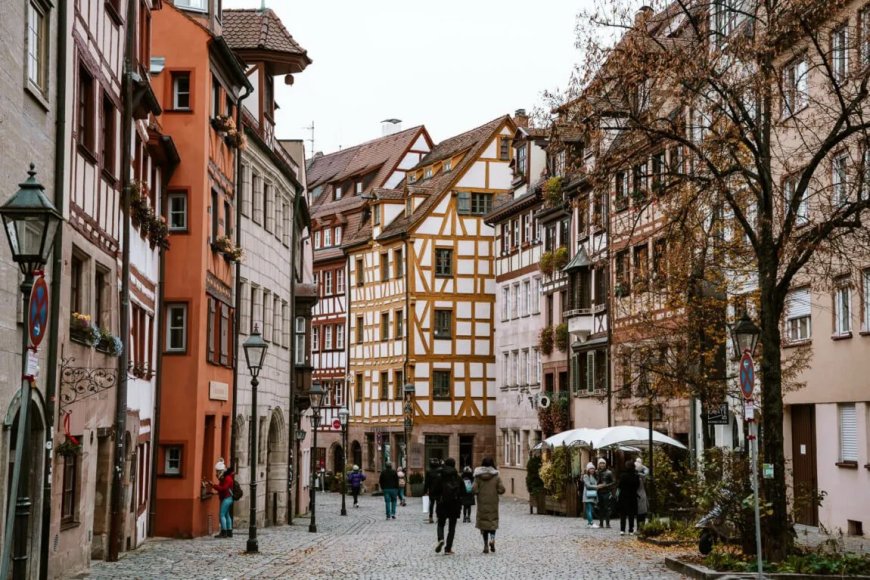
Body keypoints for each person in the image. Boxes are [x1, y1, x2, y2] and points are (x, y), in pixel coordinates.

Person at [472, 456, 505, 554]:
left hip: (482, 502)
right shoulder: (496, 476)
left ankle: (485, 545)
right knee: (492, 522)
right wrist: (496, 491)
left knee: (484, 523)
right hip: (493, 502)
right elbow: (502, 489)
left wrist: (478, 492)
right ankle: (492, 539)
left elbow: (474, 489)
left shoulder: (478, 476)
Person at [434, 458, 463, 555]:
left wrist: (437, 498)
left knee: (441, 523)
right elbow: (463, 491)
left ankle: (441, 539)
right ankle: (448, 548)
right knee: (452, 526)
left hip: (442, 503)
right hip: (454, 503)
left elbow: (435, 490)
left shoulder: (440, 476)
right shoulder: (458, 477)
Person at [206, 460, 235, 538]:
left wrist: (213, 485)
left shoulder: (227, 478)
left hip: (227, 498)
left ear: (221, 471)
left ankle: (224, 532)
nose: (216, 473)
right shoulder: (226, 477)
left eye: (217, 471)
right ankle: (229, 532)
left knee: (222, 514)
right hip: (228, 497)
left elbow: (223, 488)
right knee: (227, 515)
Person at [617, 459, 640, 535]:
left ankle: (622, 530)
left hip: (623, 496)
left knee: (623, 514)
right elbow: (637, 486)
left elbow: (619, 486)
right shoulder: (636, 476)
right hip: (632, 496)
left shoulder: (623, 475)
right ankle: (631, 530)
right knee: (631, 514)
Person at [595, 458, 615, 528]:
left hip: (606, 492)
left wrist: (605, 485)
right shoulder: (596, 472)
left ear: (605, 464)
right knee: (600, 508)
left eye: (603, 463)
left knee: (607, 508)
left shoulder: (609, 472)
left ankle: (607, 523)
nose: (602, 464)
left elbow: (613, 482)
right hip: (599, 492)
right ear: (598, 464)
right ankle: (601, 523)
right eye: (601, 463)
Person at [423, 458, 442, 524]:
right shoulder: (440, 471)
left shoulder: (429, 471)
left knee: (432, 504)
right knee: (438, 504)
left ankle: (430, 517)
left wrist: (425, 491)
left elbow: (426, 482)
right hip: (439, 490)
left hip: (432, 490)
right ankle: (438, 517)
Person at [582, 462, 600, 528]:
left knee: (589, 509)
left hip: (592, 495)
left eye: (593, 468)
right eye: (590, 469)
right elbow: (588, 485)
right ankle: (591, 523)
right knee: (589, 509)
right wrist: (597, 487)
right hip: (587, 495)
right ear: (588, 469)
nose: (592, 470)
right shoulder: (586, 476)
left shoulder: (594, 476)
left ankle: (589, 523)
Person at [635, 457, 649, 529]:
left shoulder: (641, 476)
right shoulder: (642, 476)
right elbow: (647, 470)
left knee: (640, 513)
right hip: (640, 494)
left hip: (639, 495)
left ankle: (639, 527)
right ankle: (640, 527)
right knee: (641, 513)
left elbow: (647, 470)